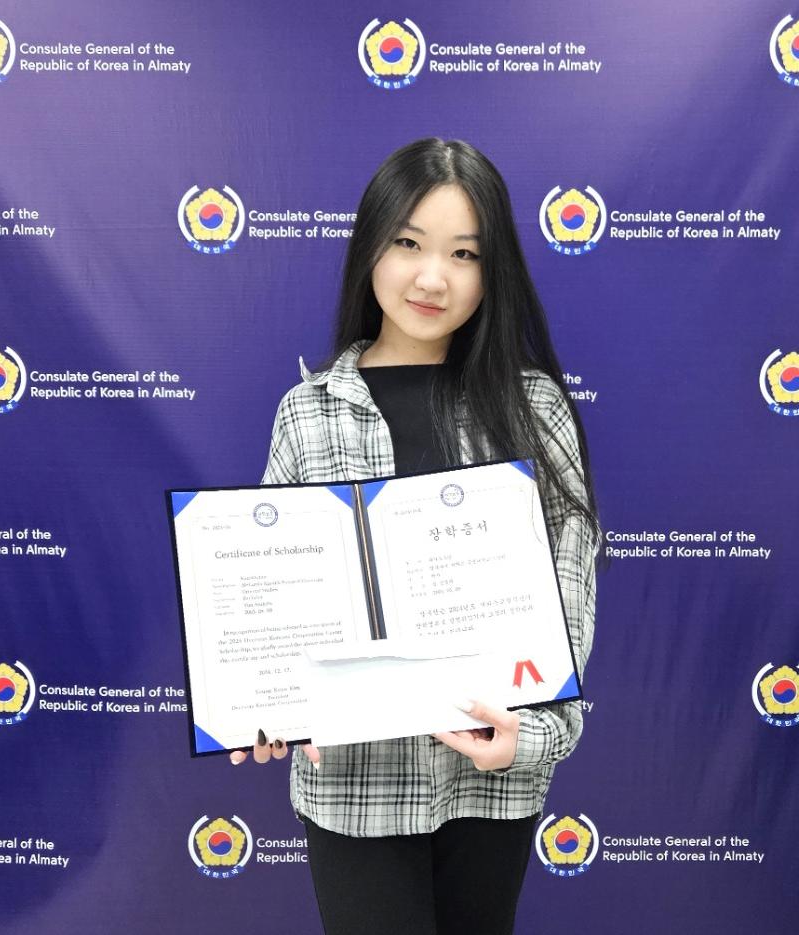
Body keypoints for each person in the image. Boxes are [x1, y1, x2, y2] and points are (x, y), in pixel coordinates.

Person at [230, 137, 599, 935]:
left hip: (490, 778)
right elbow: (270, 594)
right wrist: (260, 702)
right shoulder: (309, 412)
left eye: (464, 253)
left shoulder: (534, 408)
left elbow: (569, 581)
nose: (433, 278)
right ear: (371, 247)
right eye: (408, 243)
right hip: (354, 787)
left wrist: (534, 734)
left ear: (492, 272)